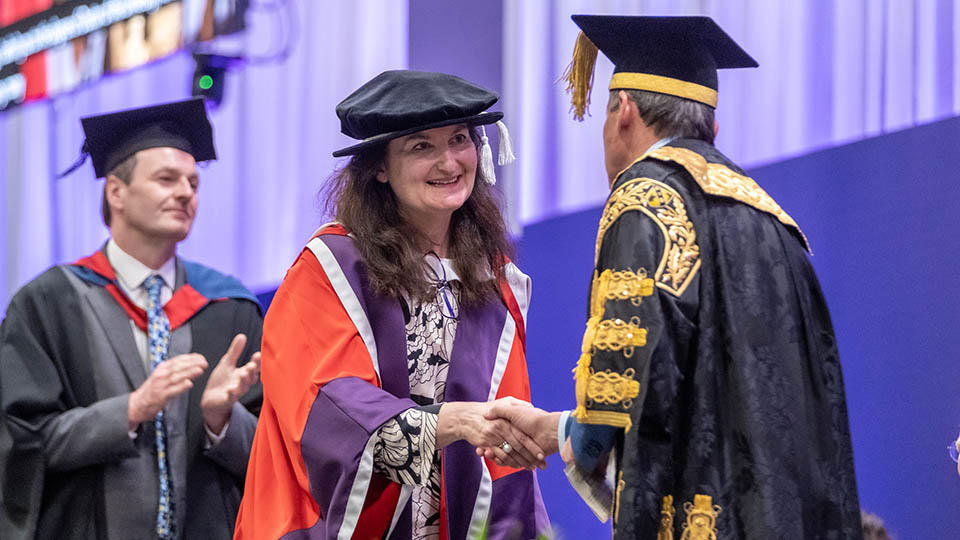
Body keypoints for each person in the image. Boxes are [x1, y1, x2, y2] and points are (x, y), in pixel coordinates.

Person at [485, 15, 862, 539]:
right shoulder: (773, 217)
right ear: (712, 128)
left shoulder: (647, 196)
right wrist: (553, 430)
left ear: (624, 114)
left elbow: (627, 390)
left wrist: (559, 433)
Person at [234, 70, 551, 540]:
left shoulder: (492, 276)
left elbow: (505, 442)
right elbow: (331, 409)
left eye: (459, 139)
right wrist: (456, 420)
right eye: (421, 147)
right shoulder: (330, 269)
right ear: (380, 167)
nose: (449, 161)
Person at [0, 98, 263, 540]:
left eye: (193, 182)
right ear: (116, 192)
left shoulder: (230, 307)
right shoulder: (48, 304)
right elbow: (21, 443)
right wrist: (131, 410)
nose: (186, 192)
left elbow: (274, 455)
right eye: (166, 179)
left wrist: (222, 420)